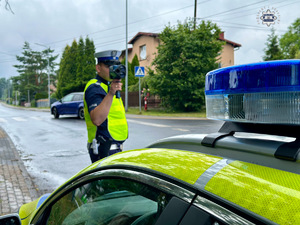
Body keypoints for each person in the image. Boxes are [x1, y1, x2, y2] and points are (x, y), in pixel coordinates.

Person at [84, 50, 128, 163]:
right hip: (103, 148)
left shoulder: (109, 86)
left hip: (115, 146)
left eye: (116, 66)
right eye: (109, 66)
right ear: (98, 68)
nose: (113, 69)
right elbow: (97, 119)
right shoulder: (95, 87)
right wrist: (111, 93)